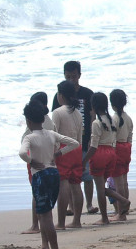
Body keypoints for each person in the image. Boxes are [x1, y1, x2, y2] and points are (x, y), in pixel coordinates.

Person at [20, 99, 80, 249]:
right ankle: (47, 248)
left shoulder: (30, 137)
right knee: (45, 214)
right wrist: (58, 154)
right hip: (54, 173)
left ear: (28, 121)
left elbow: (22, 153)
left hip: (40, 176)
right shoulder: (52, 134)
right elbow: (74, 143)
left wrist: (31, 161)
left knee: (45, 217)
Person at [50, 60, 95, 215]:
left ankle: (89, 205)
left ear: (79, 75)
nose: (71, 80)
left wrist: (92, 139)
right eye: (68, 76)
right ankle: (71, 207)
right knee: (71, 180)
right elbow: (54, 123)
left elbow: (93, 117)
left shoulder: (87, 94)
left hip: (82, 142)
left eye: (74, 76)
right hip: (68, 145)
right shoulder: (58, 96)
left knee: (86, 175)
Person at [81, 92, 130, 224]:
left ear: (93, 106)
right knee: (102, 187)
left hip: (99, 155)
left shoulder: (97, 123)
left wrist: (84, 161)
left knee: (100, 188)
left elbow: (94, 146)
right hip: (111, 153)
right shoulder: (112, 120)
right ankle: (123, 200)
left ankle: (104, 217)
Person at [50, 81, 84, 230]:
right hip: (76, 148)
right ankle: (77, 220)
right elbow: (79, 136)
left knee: (63, 184)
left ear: (61, 95)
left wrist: (53, 153)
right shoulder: (77, 112)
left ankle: (61, 222)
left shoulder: (57, 112)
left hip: (63, 149)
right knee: (76, 185)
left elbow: (54, 135)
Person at [22, 92, 55, 236]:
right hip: (48, 158)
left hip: (35, 159)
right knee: (44, 192)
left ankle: (36, 224)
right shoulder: (49, 122)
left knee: (36, 192)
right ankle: (41, 223)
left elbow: (24, 147)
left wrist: (30, 161)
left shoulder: (33, 124)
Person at [108, 89, 132, 220]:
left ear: (112, 104)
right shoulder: (128, 118)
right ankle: (124, 210)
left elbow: (112, 137)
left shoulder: (114, 119)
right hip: (126, 148)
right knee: (123, 180)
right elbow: (130, 136)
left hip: (117, 148)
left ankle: (121, 212)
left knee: (117, 183)